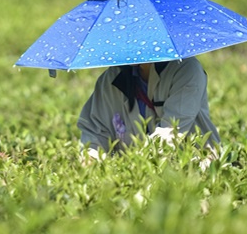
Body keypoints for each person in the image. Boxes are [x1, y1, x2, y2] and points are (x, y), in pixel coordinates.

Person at [77, 56, 220, 160]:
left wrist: (132, 168)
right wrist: (90, 158)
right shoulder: (111, 78)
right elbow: (95, 132)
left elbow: (170, 134)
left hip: (191, 173)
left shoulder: (186, 69)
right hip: (135, 182)